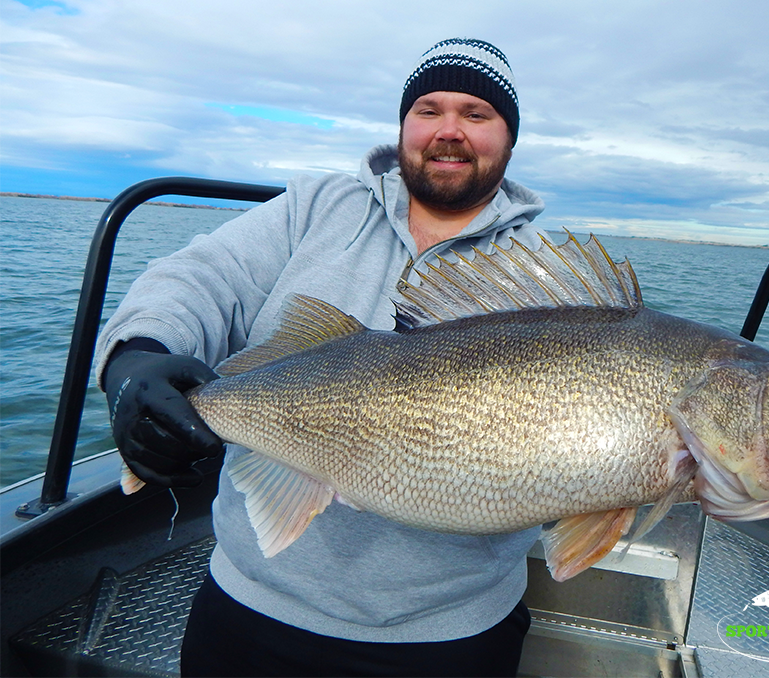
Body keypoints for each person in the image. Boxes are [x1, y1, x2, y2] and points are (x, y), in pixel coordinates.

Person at [94, 38, 545, 677]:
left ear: (508, 136)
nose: (450, 131)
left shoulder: (540, 274)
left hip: (450, 634)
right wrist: (134, 362)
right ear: (403, 125)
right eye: (429, 109)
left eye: (477, 114)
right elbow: (202, 277)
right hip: (251, 603)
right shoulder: (316, 209)